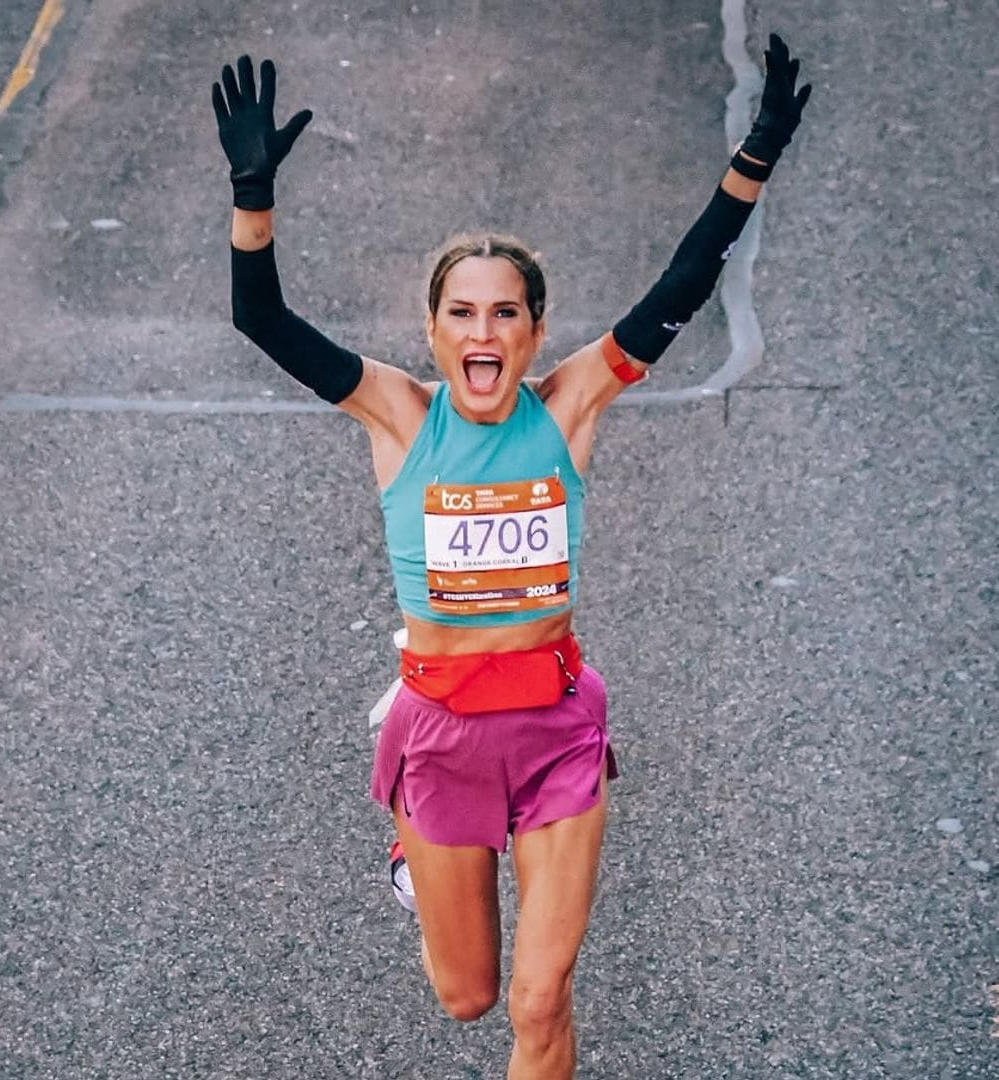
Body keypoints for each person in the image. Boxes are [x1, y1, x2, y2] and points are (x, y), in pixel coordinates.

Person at [213, 34, 810, 1079]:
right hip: (441, 735)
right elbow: (259, 317)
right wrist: (251, 197)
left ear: (534, 334)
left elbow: (683, 283)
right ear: (434, 334)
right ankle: (417, 845)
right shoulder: (395, 414)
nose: (482, 331)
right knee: (469, 997)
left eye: (506, 313)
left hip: (555, 734)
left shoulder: (571, 405)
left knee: (539, 1004)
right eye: (461, 314)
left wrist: (749, 163)